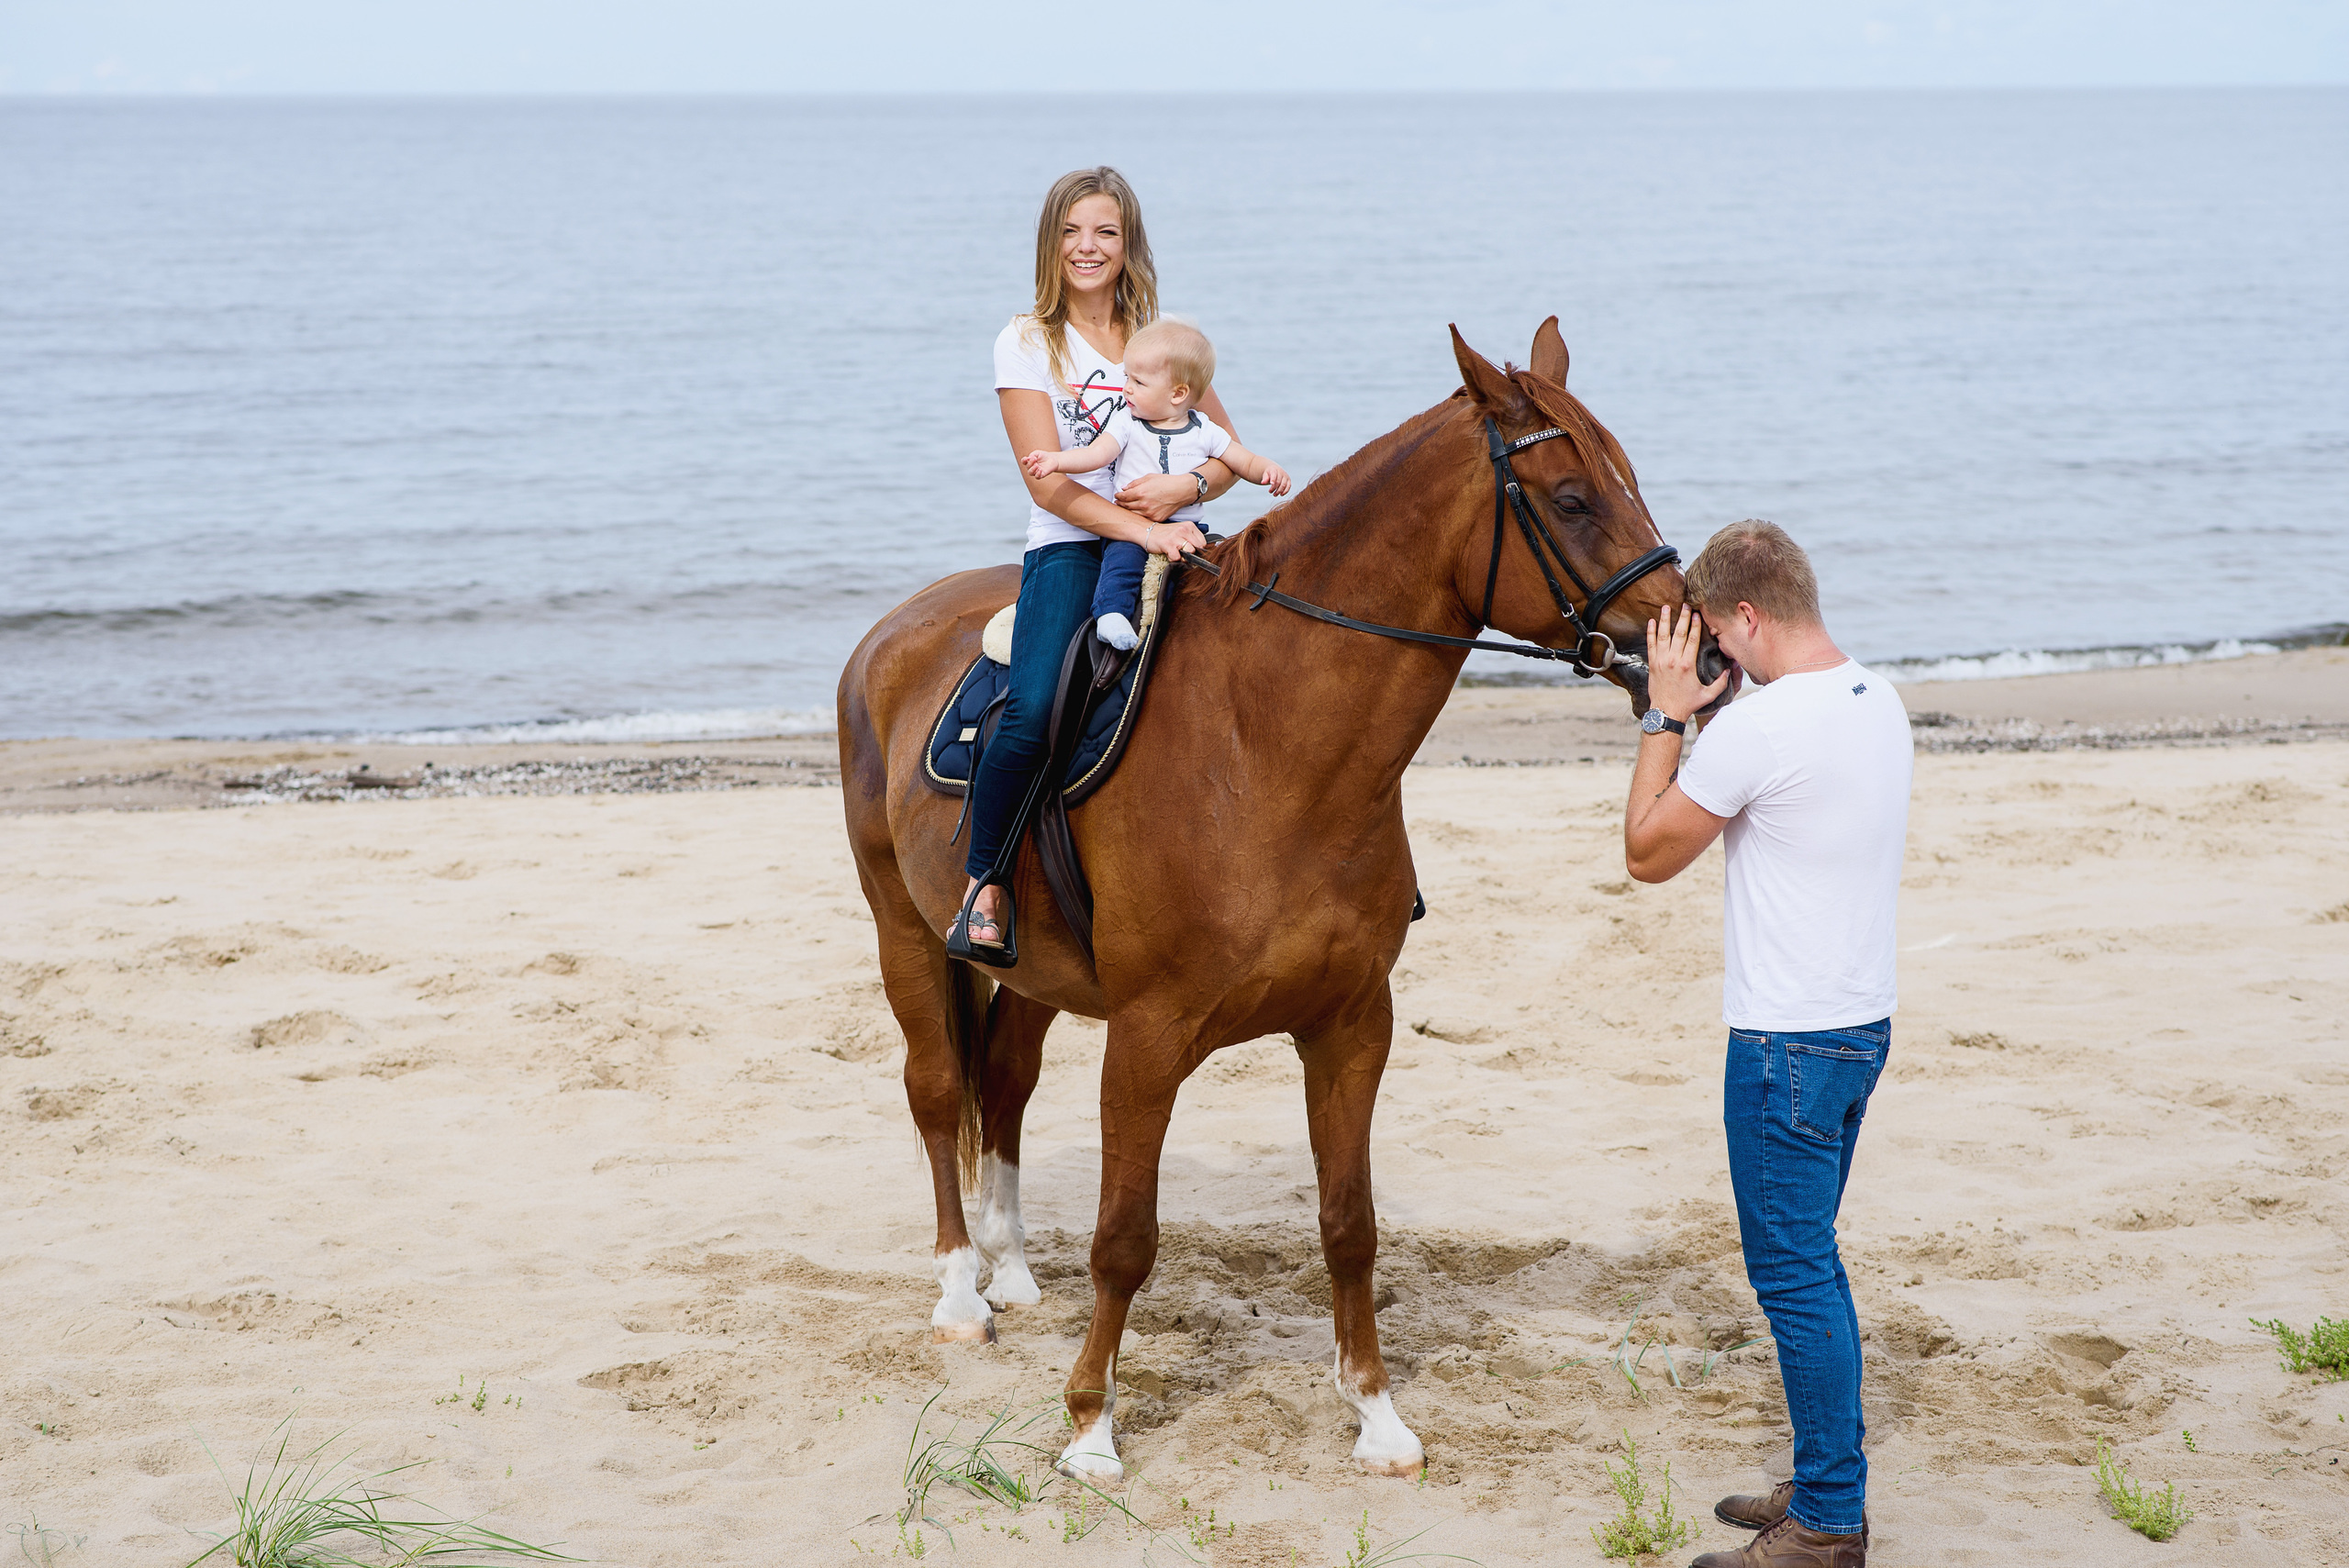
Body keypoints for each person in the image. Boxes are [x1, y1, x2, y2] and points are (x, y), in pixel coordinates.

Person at [1622, 520, 1912, 1568]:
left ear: (1745, 615)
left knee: (1793, 1273)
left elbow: (1646, 852)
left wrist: (1666, 709)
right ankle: (1819, 1476)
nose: (1714, 657)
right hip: (1859, 1027)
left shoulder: (1758, 729)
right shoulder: (1876, 700)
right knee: (1812, 1263)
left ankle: (1829, 1521)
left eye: (1714, 636)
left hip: (1784, 1043)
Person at [951, 167, 1246, 963]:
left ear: (1128, 244)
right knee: (1037, 705)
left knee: (1275, 654)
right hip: (1072, 544)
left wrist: (1184, 488)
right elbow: (1045, 479)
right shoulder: (1026, 340)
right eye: (1074, 231)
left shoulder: (1160, 334)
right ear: (1052, 242)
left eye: (1106, 232)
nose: (1089, 247)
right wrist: (1137, 530)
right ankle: (987, 882)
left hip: (1175, 527)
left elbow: (1224, 454)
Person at [1021, 317, 1289, 651]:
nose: (1126, 389)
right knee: (1122, 562)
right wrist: (1055, 461)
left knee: (1213, 573)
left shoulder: (1204, 429)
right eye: (1126, 379)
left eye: (1138, 382)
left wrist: (1269, 470)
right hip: (1136, 525)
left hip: (1188, 527)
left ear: (1178, 393)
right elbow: (1094, 455)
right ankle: (1111, 615)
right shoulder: (1126, 424)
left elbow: (1241, 460)